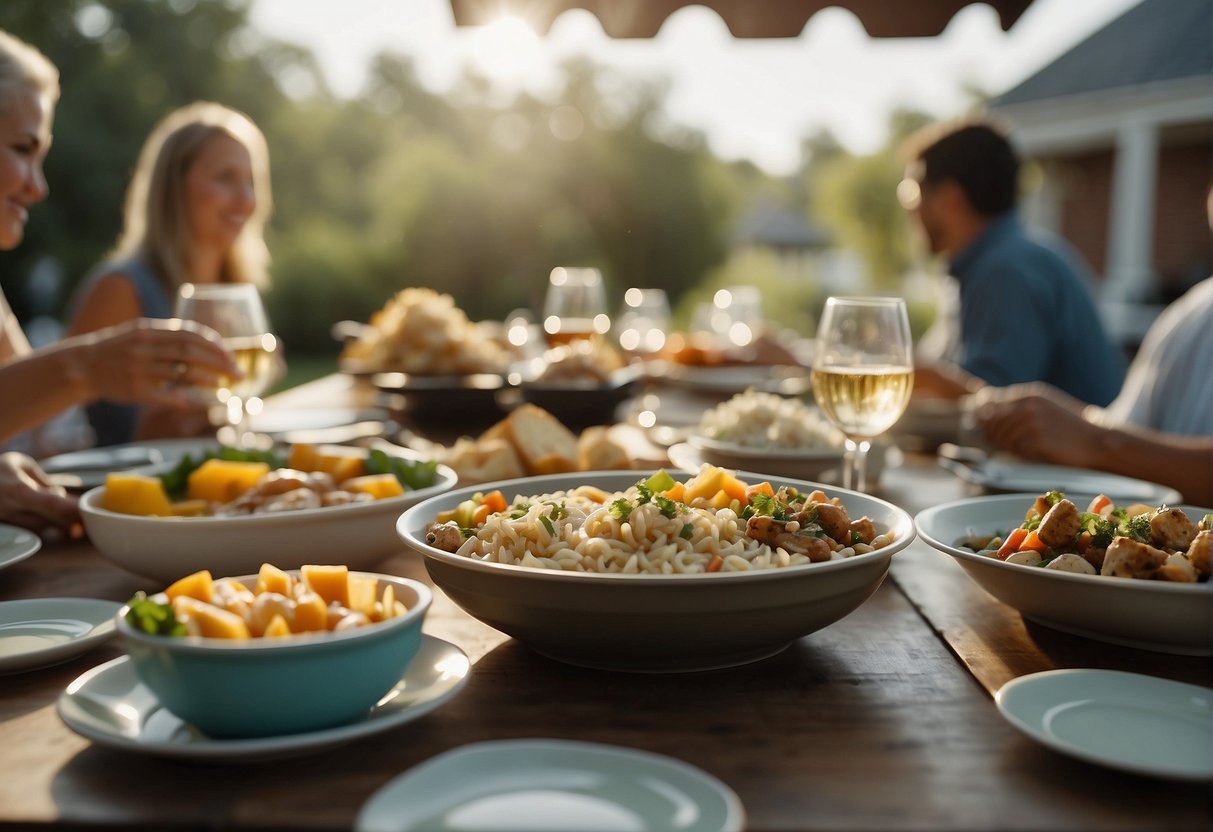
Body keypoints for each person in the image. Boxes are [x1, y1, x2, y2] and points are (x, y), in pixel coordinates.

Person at [0, 29, 237, 533]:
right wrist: (87, 366)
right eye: (22, 148)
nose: (38, 187)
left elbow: (21, 428)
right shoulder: (124, 283)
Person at [66, 100, 274, 446]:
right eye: (225, 178)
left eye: (250, 182)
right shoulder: (121, 288)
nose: (245, 200)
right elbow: (50, 428)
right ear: (174, 188)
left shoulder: (233, 290)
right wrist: (146, 437)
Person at [898, 118, 1126, 406]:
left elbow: (995, 412)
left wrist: (917, 375)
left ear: (949, 199)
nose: (910, 210)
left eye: (910, 193)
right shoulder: (995, 262)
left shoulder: (1007, 271)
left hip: (1051, 452)